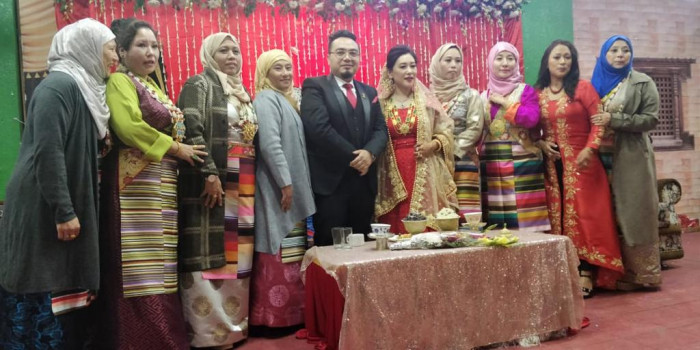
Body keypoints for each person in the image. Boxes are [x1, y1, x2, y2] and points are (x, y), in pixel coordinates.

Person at [0, 18, 116, 349]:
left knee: (67, 288)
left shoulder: (86, 90)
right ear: (86, 49)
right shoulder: (59, 87)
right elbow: (47, 152)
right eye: (109, 49)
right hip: (44, 206)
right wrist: (64, 210)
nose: (115, 58)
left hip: (64, 202)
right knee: (44, 286)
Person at [96, 20, 206, 349]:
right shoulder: (119, 81)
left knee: (162, 266)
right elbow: (128, 126)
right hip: (133, 188)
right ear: (123, 52)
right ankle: (138, 340)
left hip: (160, 186)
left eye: (155, 46)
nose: (151, 52)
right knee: (138, 269)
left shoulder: (152, 87)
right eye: (142, 45)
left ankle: (164, 338)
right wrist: (176, 148)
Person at [177, 32, 258, 347]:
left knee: (238, 256)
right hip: (214, 179)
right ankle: (208, 333)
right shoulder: (198, 85)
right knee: (210, 255)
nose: (231, 56)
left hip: (245, 179)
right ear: (209, 54)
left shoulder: (242, 93)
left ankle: (234, 327)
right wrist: (209, 173)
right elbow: (190, 127)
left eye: (236, 50)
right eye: (223, 50)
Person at [534, 40, 623, 298]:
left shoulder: (583, 88)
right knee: (558, 214)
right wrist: (539, 142)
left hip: (583, 163)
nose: (563, 62)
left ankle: (586, 270)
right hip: (552, 165)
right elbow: (530, 129)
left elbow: (598, 123)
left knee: (586, 216)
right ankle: (564, 269)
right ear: (547, 62)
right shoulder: (537, 92)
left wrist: (589, 149)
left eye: (568, 57)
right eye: (558, 57)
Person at [300, 30, 387, 244]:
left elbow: (381, 129)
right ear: (329, 57)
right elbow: (319, 129)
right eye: (340, 52)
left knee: (363, 248)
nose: (347, 57)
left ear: (359, 58)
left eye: (353, 53)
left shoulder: (370, 92)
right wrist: (356, 158)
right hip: (331, 186)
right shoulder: (315, 86)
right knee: (331, 247)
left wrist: (370, 153)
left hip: (364, 184)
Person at [250, 49, 316, 328]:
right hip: (279, 188)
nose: (286, 74)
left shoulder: (284, 100)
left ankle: (294, 314)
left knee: (293, 249)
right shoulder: (266, 99)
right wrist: (285, 183)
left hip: (290, 187)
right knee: (279, 247)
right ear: (265, 73)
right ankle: (274, 318)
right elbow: (270, 144)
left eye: (289, 68)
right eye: (278, 68)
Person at [590, 35, 661, 290]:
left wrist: (614, 119)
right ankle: (612, 273)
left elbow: (650, 120)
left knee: (634, 211)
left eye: (625, 50)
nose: (620, 55)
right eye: (614, 51)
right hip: (600, 157)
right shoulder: (593, 84)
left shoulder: (642, 82)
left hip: (631, 156)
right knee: (607, 211)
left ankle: (644, 273)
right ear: (603, 55)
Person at [375, 45, 457, 232]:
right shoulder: (380, 104)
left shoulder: (427, 102)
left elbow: (446, 131)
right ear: (390, 71)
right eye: (403, 66)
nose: (410, 71)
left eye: (413, 66)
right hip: (391, 171)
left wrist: (434, 145)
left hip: (424, 168)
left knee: (426, 228)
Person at [480, 42, 550, 232]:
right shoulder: (482, 96)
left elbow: (532, 118)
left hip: (523, 160)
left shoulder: (525, 90)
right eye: (499, 58)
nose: (505, 63)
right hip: (492, 162)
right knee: (496, 216)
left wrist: (504, 102)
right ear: (490, 63)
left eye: (510, 58)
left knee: (526, 217)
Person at [429, 43, 485, 217]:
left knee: (466, 215)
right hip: (434, 161)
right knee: (439, 212)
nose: (454, 64)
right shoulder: (426, 95)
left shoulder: (471, 95)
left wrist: (450, 151)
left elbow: (474, 128)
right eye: (448, 60)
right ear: (437, 63)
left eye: (458, 60)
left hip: (462, 160)